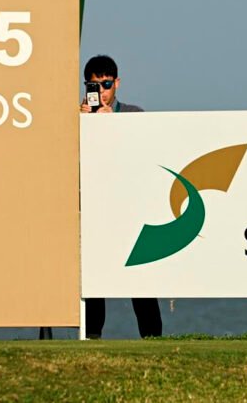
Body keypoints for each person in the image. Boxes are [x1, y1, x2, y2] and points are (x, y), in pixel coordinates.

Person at [80, 54, 162, 339]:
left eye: (106, 84)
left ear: (117, 83)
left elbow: (143, 154)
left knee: (140, 282)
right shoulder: (79, 118)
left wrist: (111, 124)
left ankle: (152, 339)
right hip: (95, 212)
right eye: (95, 85)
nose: (102, 91)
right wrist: (85, 125)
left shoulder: (133, 114)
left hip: (130, 212)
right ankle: (92, 337)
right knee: (94, 282)